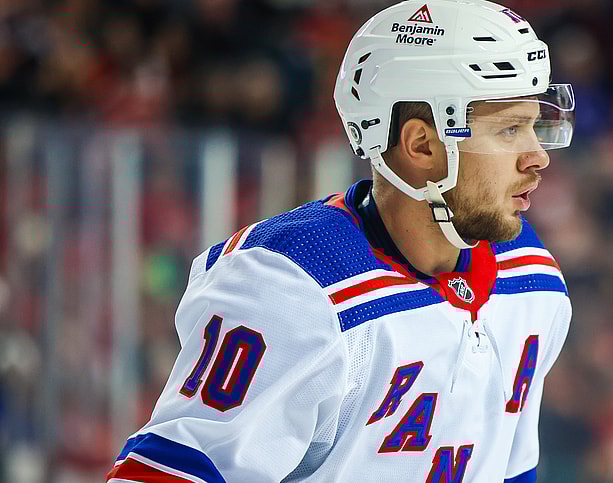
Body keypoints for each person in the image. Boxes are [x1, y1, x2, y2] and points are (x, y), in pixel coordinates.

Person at [106, 0, 575, 481]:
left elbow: (510, 469)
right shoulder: (291, 285)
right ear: (422, 147)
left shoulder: (530, 278)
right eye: (510, 129)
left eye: (535, 126)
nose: (537, 156)